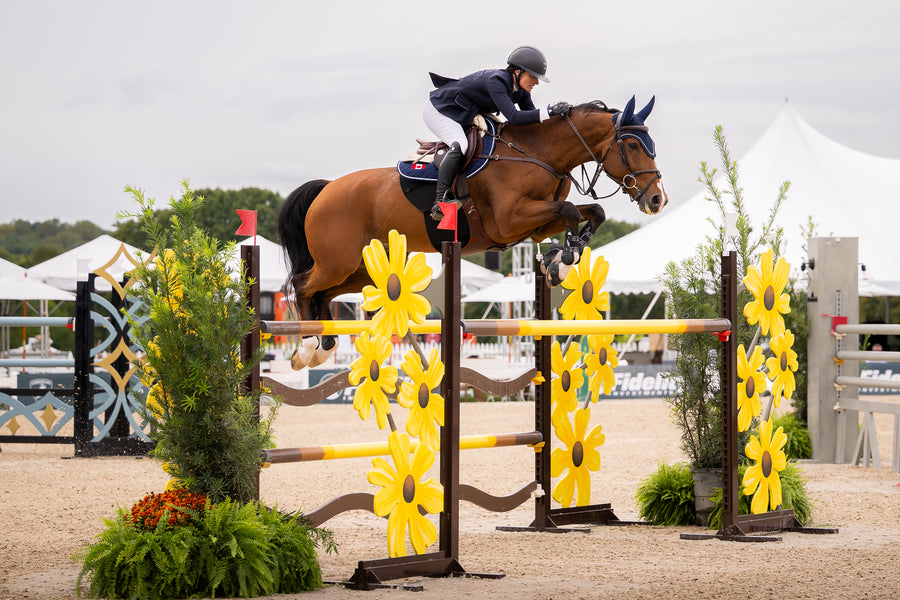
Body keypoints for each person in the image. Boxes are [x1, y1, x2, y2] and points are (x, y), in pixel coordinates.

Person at [423, 45, 572, 221]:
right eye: (533, 76)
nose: (537, 82)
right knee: (460, 145)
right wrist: (549, 110)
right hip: (440, 109)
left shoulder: (521, 90)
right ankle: (440, 200)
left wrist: (556, 119)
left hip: (465, 112)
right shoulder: (497, 81)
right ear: (517, 71)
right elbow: (515, 117)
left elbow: (531, 119)